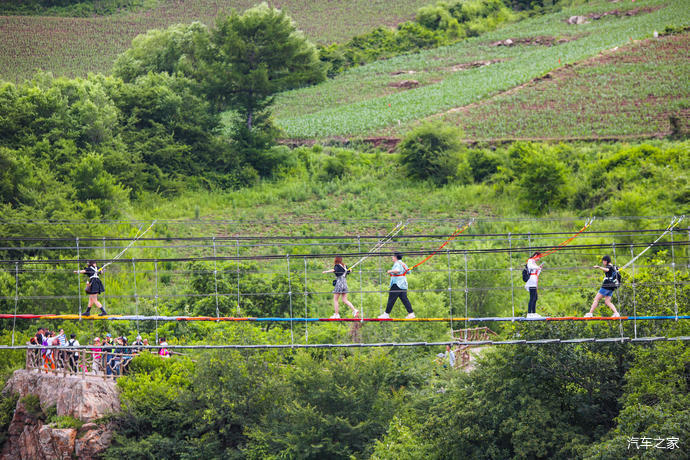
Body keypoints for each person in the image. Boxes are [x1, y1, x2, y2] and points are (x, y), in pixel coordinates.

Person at [378, 253, 415, 319]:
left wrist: (390, 271)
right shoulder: (403, 264)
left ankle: (386, 314)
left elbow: (397, 270)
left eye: (393, 256)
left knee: (391, 299)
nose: (392, 257)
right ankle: (411, 313)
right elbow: (409, 272)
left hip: (397, 284)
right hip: (403, 284)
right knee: (404, 299)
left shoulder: (397, 264)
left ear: (396, 257)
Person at [524, 252, 544, 318]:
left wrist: (539, 268)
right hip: (531, 281)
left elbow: (537, 272)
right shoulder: (530, 261)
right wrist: (537, 267)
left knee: (535, 297)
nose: (539, 259)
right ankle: (529, 313)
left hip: (534, 281)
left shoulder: (534, 263)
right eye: (538, 257)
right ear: (535, 255)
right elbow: (530, 267)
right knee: (532, 297)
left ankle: (533, 312)